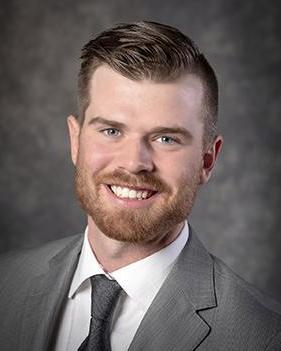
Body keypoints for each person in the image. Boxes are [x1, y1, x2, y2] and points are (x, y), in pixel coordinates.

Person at [0, 21, 281, 351]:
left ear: (207, 160)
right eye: (111, 131)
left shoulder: (264, 338)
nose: (134, 163)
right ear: (75, 141)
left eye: (166, 138)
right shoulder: (6, 283)